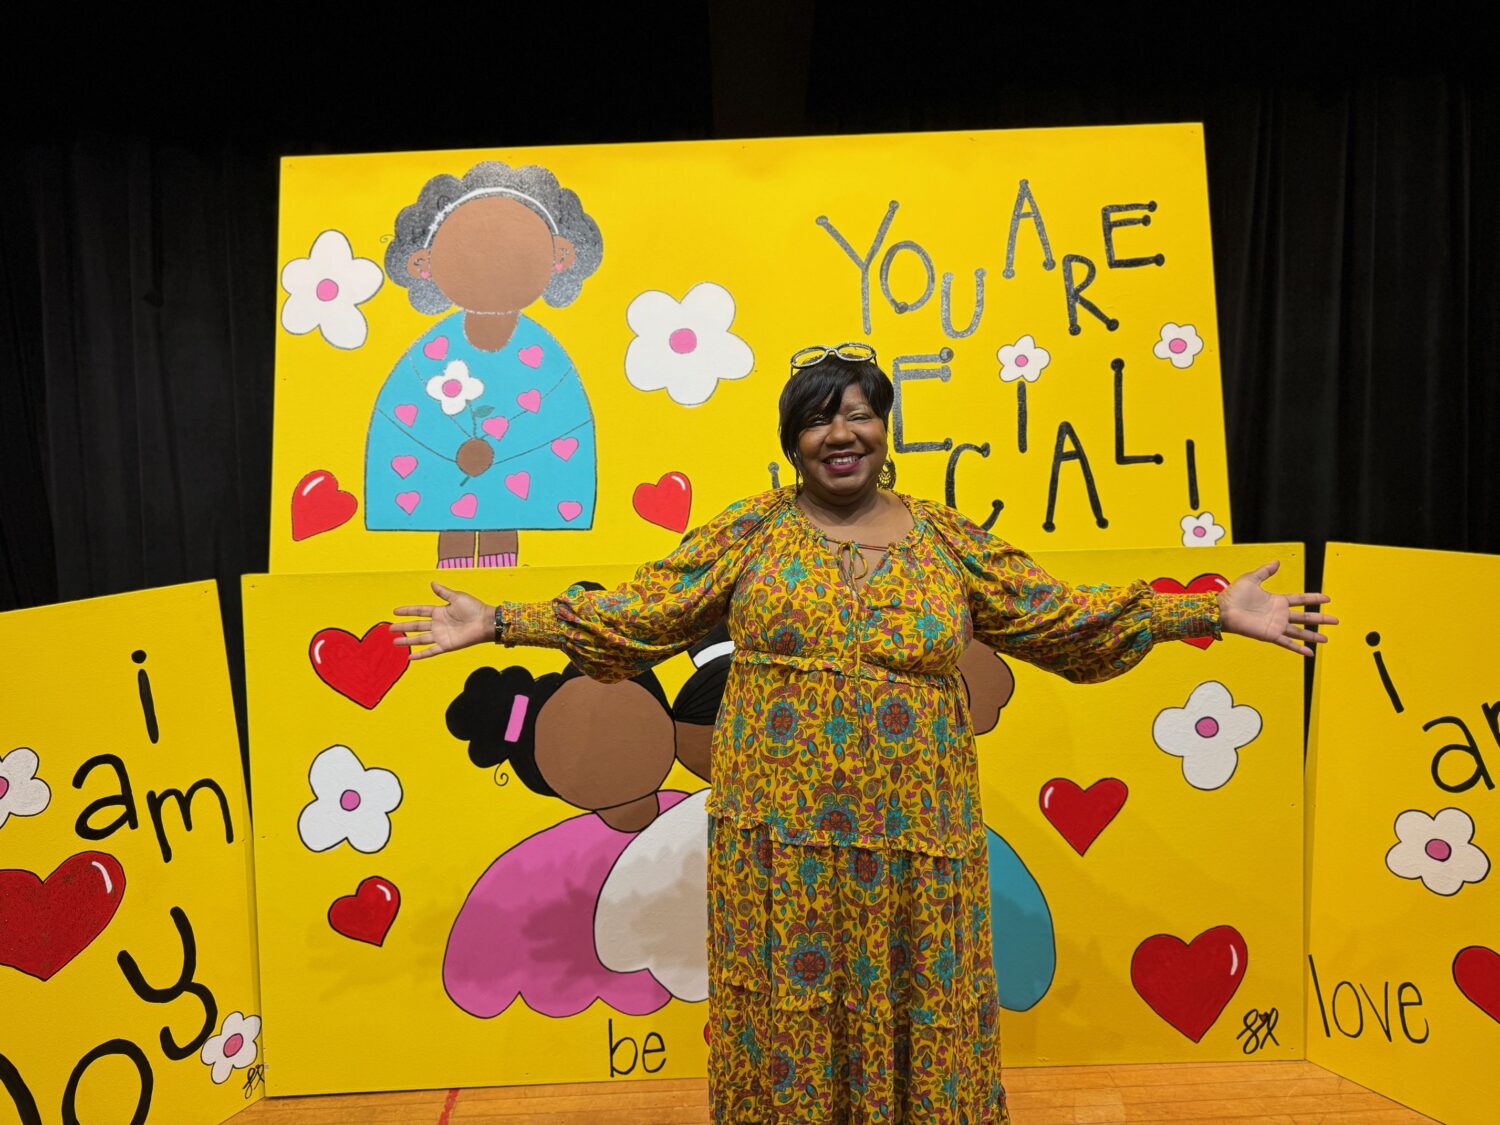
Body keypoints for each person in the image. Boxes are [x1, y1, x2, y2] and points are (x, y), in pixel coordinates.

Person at [392, 343, 1336, 1123]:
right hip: (781, 848)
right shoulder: (750, 534)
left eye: (859, 414)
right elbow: (643, 614)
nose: (840, 433)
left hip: (914, 847)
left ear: (885, 430)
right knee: (789, 1023)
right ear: (792, 441)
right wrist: (504, 621)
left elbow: (1064, 618)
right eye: (818, 417)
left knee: (922, 1017)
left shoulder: (946, 541)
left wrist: (1206, 612)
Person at [368, 160, 604, 568]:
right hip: (447, 473)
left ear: (559, 256)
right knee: (451, 533)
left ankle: (500, 598)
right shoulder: (429, 355)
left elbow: (559, 425)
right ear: (423, 263)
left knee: (503, 527)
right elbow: (407, 421)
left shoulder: (544, 356)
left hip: (512, 480)